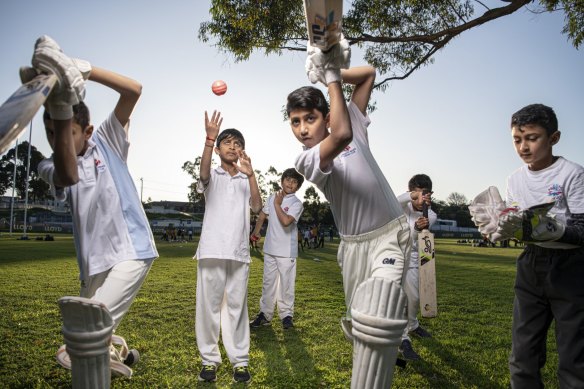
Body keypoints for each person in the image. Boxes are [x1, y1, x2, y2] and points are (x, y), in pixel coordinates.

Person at [287, 37, 409, 387]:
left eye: (309, 118)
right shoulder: (306, 158)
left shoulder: (351, 117)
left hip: (390, 233)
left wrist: (334, 67)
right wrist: (329, 76)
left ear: (325, 114)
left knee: (380, 307)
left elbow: (368, 75)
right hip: (354, 247)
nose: (303, 129)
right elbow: (339, 135)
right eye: (295, 122)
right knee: (362, 326)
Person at [35, 36, 158, 374]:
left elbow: (133, 90)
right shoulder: (48, 165)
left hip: (131, 249)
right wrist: (60, 115)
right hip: (92, 261)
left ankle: (93, 348)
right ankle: (115, 351)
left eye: (67, 132)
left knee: (86, 329)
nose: (58, 140)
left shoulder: (106, 139)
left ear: (86, 130)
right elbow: (67, 174)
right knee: (96, 320)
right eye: (51, 134)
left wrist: (82, 70)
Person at [470, 104, 584, 388]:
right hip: (531, 265)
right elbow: (518, 225)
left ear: (554, 138)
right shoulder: (514, 179)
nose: (523, 147)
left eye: (532, 138)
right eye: (517, 140)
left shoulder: (573, 173)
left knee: (574, 359)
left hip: (570, 268)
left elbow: (582, 230)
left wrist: (552, 230)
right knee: (523, 356)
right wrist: (497, 228)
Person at [193, 111, 262, 384]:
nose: (233, 147)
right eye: (228, 143)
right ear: (219, 148)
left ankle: (240, 362)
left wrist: (252, 175)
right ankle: (209, 361)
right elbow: (202, 172)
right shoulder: (213, 175)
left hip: (238, 253)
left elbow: (257, 207)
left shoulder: (246, 178)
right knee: (208, 308)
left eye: (237, 144)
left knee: (237, 308)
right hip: (211, 250)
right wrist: (209, 139)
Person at [249, 168, 305, 330]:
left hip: (286, 251)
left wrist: (277, 204)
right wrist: (257, 230)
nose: (290, 183)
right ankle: (265, 315)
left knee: (286, 285)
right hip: (270, 249)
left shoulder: (296, 204)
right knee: (268, 284)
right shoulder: (273, 196)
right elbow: (262, 214)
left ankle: (286, 316)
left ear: (297, 187)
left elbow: (286, 221)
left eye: (294, 182)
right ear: (282, 181)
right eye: (288, 179)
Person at [396, 174, 437, 361]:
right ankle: (403, 339)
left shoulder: (431, 215)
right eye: (418, 193)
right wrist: (411, 196)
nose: (422, 199)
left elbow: (413, 241)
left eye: (426, 194)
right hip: (393, 256)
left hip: (413, 259)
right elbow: (394, 202)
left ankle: (412, 325)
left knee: (414, 298)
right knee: (397, 299)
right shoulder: (400, 206)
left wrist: (418, 230)